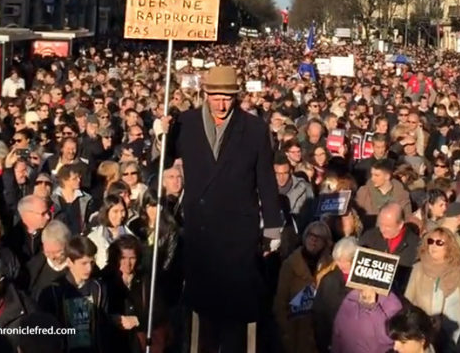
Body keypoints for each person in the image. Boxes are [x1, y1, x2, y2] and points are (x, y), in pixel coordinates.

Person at [169, 65, 283, 352]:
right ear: (205, 93)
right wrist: (161, 137)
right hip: (201, 230)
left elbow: (266, 181)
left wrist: (272, 226)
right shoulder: (185, 123)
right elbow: (160, 163)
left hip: (237, 233)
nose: (221, 104)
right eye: (216, 97)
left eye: (227, 98)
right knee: (202, 308)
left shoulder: (255, 128)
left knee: (236, 310)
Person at [405, 227, 460, 350]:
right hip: (426, 334)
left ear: (449, 247)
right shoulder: (418, 269)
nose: (433, 246)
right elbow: (408, 300)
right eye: (430, 241)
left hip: (454, 336)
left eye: (439, 243)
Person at [38, 235, 109, 353]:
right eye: (83, 263)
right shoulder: (53, 292)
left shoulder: (98, 288)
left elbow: (103, 326)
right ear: (69, 262)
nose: (89, 268)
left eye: (91, 262)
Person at [102, 235, 170, 353]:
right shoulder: (105, 280)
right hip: (113, 343)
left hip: (140, 343)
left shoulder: (146, 280)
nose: (127, 263)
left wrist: (138, 320)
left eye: (132, 258)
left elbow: (160, 312)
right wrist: (112, 319)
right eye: (123, 258)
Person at [275, 221, 335, 353]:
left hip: (320, 335)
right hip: (296, 333)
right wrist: (286, 330)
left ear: (326, 242)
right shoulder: (290, 265)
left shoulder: (331, 266)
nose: (313, 239)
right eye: (311, 235)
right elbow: (280, 302)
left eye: (318, 237)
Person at [359, 202, 420, 295]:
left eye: (388, 226)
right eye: (381, 224)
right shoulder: (369, 237)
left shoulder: (416, 245)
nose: (382, 229)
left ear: (400, 225)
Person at [313, 237, 356, 353]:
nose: (341, 265)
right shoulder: (328, 279)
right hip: (331, 340)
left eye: (345, 261)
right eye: (338, 260)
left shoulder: (364, 282)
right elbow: (319, 312)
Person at [331, 287, 404, 353]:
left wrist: (373, 308)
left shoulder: (392, 302)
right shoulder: (352, 295)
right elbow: (337, 331)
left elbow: (389, 338)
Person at [87, 194, 134, 269]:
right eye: (115, 211)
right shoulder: (94, 238)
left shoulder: (131, 237)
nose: (120, 215)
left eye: (122, 211)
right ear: (106, 212)